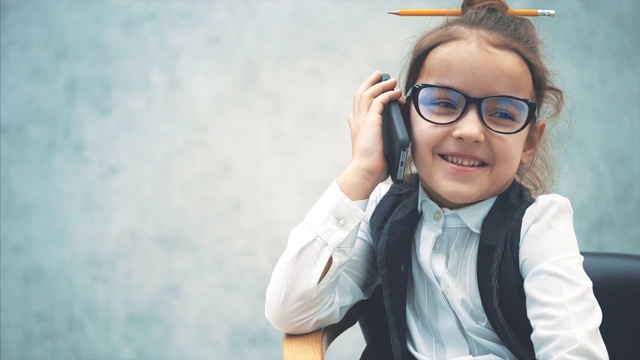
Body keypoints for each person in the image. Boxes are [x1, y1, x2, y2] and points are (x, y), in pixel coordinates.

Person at [265, 0, 608, 358]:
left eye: (503, 113)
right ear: (402, 118)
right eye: (443, 104)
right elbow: (290, 309)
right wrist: (363, 171)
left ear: (530, 141)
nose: (470, 131)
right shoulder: (383, 211)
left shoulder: (539, 227)